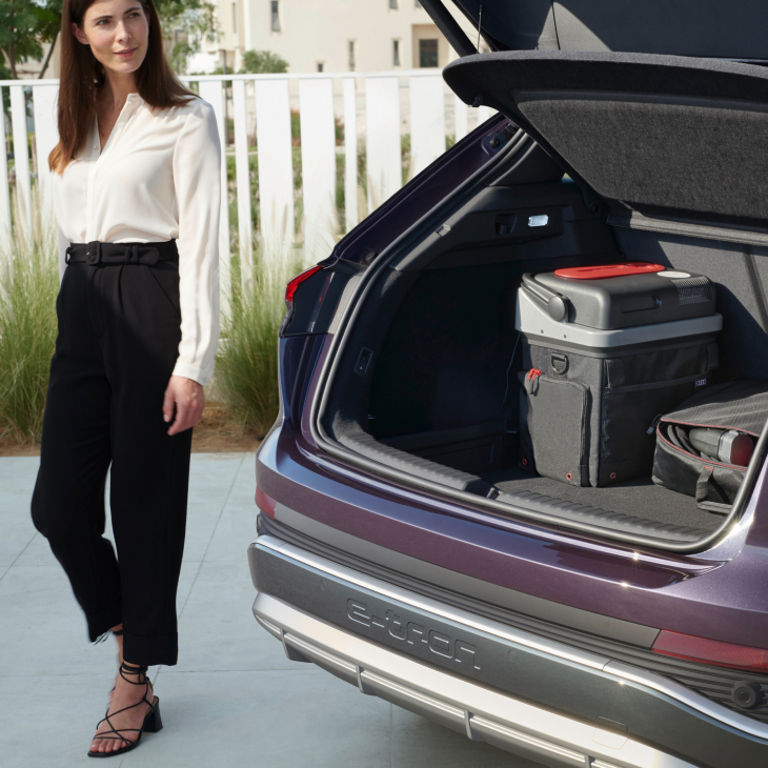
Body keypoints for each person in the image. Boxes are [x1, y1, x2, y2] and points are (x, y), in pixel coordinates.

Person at [30, 0, 220, 757]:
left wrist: (193, 363)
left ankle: (133, 678)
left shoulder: (185, 116)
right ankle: (129, 637)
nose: (124, 34)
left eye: (134, 15)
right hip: (81, 301)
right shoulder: (69, 116)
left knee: (144, 506)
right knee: (59, 509)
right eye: (105, 21)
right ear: (78, 31)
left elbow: (204, 244)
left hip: (151, 300)